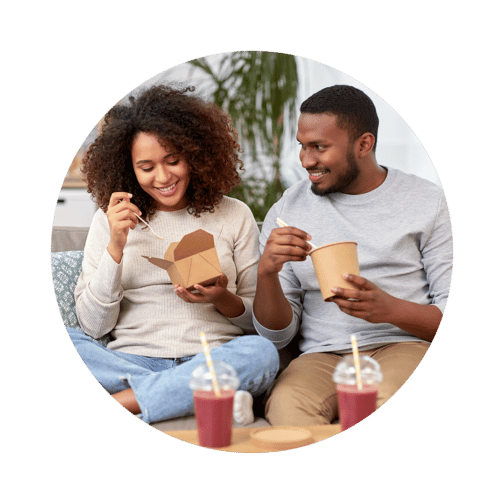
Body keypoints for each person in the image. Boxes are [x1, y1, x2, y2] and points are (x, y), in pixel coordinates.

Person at [68, 84, 279, 425]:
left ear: (194, 155)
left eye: (173, 160)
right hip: (134, 360)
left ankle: (128, 401)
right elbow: (93, 327)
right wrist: (116, 246)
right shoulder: (110, 221)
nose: (163, 177)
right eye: (147, 167)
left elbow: (257, 323)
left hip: (213, 355)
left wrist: (221, 297)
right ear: (128, 167)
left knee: (262, 354)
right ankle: (195, 394)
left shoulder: (235, 215)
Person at [253, 85, 453, 426]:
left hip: (402, 346)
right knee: (287, 408)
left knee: (387, 401)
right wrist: (266, 273)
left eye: (319, 147)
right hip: (322, 356)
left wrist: (389, 309)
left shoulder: (428, 202)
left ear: (364, 144)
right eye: (302, 146)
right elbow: (277, 337)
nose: (306, 160)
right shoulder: (288, 209)